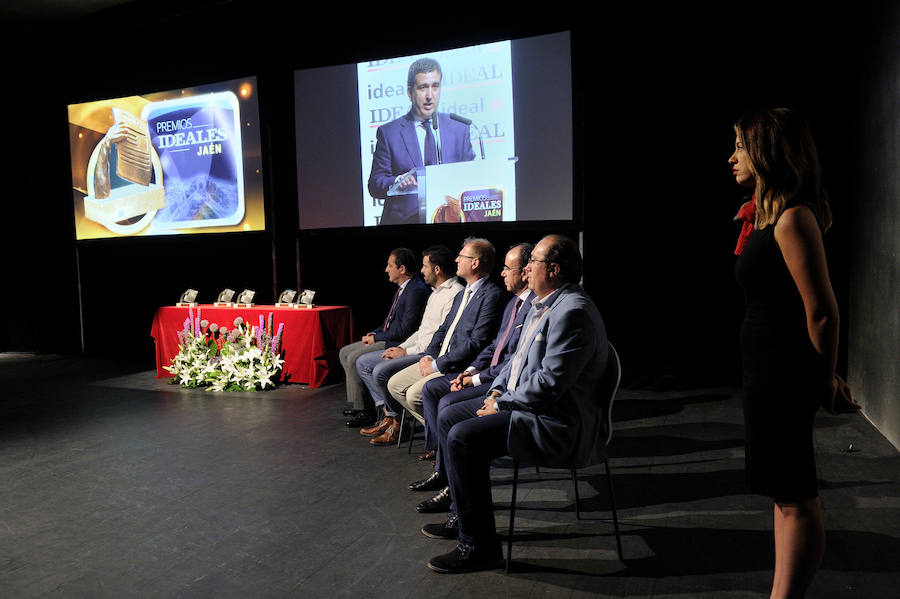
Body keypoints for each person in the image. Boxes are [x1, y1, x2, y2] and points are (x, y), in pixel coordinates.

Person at [729, 108, 860, 598]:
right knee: (783, 495)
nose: (732, 157)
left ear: (766, 153)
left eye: (740, 147)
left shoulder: (792, 218)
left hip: (785, 374)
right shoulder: (771, 214)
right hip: (766, 373)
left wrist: (824, 377)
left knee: (797, 496)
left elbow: (823, 311)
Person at [423, 235, 608, 574]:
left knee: (463, 437)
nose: (525, 270)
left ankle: (479, 547)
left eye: (531, 263)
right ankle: (462, 516)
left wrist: (503, 403)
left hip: (555, 422)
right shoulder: (545, 304)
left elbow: (549, 384)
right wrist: (495, 394)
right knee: (449, 416)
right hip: (531, 407)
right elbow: (516, 363)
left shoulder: (572, 311)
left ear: (552, 270)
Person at [409, 243, 535, 514]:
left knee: (447, 409)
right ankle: (446, 475)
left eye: (508, 268)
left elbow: (508, 359)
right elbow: (494, 346)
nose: (503, 273)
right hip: (484, 373)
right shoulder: (515, 302)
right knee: (434, 392)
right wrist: (471, 371)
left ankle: (456, 492)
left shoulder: (526, 305)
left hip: (502, 384)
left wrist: (478, 381)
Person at [385, 238, 504, 429]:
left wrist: (437, 364)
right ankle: (438, 433)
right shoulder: (462, 293)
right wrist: (430, 356)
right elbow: (442, 329)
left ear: (475, 263)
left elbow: (476, 342)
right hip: (438, 359)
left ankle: (440, 437)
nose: (456, 260)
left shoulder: (491, 295)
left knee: (415, 393)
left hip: (457, 366)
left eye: (462, 256)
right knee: (394, 385)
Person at [355, 246, 463, 444]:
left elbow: (440, 337)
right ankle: (393, 418)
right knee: (365, 363)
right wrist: (401, 348)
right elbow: (422, 331)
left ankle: (399, 422)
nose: (421, 271)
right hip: (416, 349)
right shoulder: (435, 293)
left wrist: (406, 351)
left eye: (424, 266)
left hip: (429, 355)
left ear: (436, 269)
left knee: (380, 371)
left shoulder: (455, 293)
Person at [367, 57, 476, 225]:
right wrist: (398, 181)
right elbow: (375, 184)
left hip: (450, 222)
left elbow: (473, 177)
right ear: (410, 92)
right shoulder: (389, 133)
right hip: (405, 225)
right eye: (423, 87)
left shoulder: (459, 129)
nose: (430, 96)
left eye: (435, 86)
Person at [340, 248, 429, 426]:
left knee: (354, 358)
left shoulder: (416, 290)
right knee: (344, 352)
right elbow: (389, 321)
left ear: (402, 269)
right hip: (387, 336)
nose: (386, 269)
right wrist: (374, 333)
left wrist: (378, 338)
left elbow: (405, 330)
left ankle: (372, 411)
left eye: (390, 266)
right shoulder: (403, 289)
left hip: (397, 342)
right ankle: (362, 405)